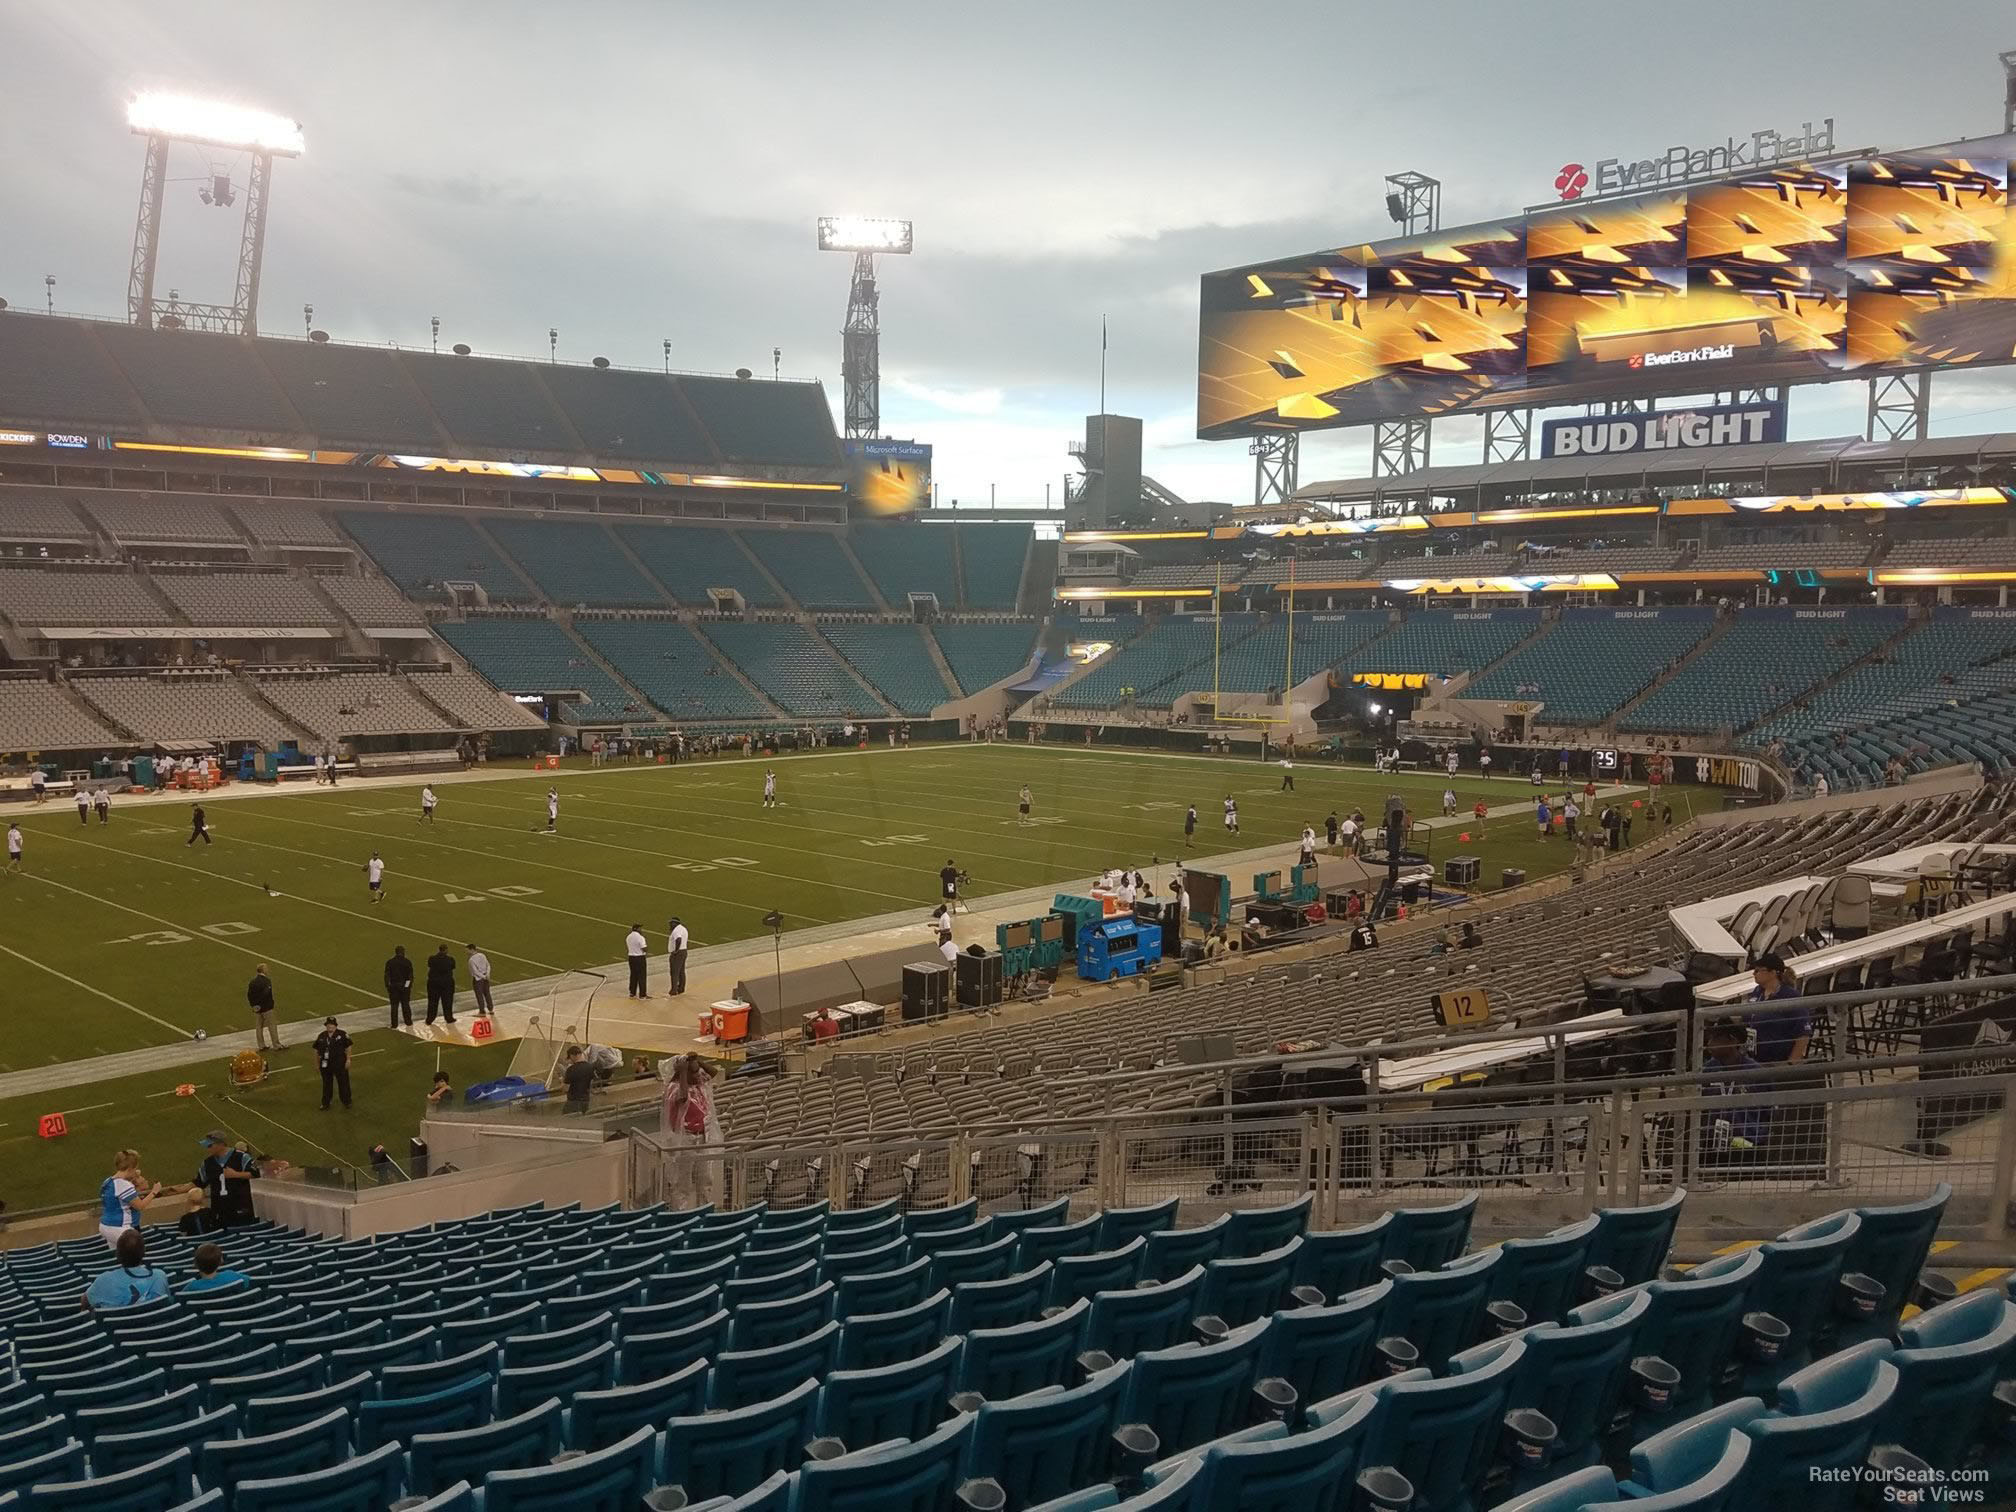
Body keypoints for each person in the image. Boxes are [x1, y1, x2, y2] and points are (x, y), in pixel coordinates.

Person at [662, 1053, 721, 1207]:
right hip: (685, 1139)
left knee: (706, 1178)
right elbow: (682, 1099)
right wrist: (683, 1071)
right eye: (693, 1072)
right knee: (683, 1182)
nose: (698, 1075)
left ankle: (705, 1209)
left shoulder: (699, 1083)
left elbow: (713, 1072)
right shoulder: (674, 1087)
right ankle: (682, 1215)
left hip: (703, 1136)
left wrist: (697, 1060)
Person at [1702, 1020, 1767, 1153]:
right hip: (1713, 1142)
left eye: (1716, 1039)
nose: (1709, 1044)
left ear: (1732, 1041)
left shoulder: (1755, 1071)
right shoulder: (1708, 1070)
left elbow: (1768, 1110)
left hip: (1748, 1144)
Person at [1746, 952, 1810, 1066]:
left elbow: (1803, 1032)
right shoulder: (1757, 992)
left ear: (1773, 972)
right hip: (1755, 1058)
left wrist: (1791, 1063)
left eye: (1758, 970)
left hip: (1778, 1060)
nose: (1754, 973)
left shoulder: (1790, 996)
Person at [84, 1230, 171, 1311]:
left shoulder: (104, 1280)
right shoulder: (160, 1276)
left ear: (117, 1255)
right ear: (144, 1252)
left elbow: (84, 1303)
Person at [98, 1150, 161, 1249]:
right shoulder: (123, 1185)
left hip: (105, 1225)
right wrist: (154, 1191)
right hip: (119, 1227)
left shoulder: (108, 1181)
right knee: (135, 1253)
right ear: (131, 1168)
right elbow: (140, 1206)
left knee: (119, 1257)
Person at [196, 1131, 258, 1227]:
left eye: (210, 1146)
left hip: (241, 1207)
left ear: (221, 1144)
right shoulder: (207, 1163)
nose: (208, 1149)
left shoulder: (241, 1157)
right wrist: (174, 1190)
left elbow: (256, 1174)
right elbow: (199, 1182)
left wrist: (236, 1174)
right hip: (219, 1210)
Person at [313, 1016, 353, 1110]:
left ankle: (346, 1101)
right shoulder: (322, 1036)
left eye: (332, 1025)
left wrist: (348, 1059)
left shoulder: (342, 1034)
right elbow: (316, 1050)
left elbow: (348, 1047)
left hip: (339, 1063)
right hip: (325, 1064)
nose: (330, 1026)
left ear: (335, 1026)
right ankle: (326, 1103)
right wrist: (316, 1063)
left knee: (343, 1082)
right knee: (326, 1084)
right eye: (328, 1025)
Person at [181, 1241, 251, 1295]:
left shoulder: (191, 1287)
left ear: (195, 1264)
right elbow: (249, 1281)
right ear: (221, 1261)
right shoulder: (231, 1275)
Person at [248, 964, 281, 1050]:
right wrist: (263, 1005)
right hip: (266, 1007)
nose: (267, 969)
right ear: (263, 970)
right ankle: (276, 1045)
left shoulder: (253, 981)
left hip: (257, 1008)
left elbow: (249, 995)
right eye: (266, 968)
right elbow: (266, 994)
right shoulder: (266, 981)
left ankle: (261, 1045)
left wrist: (254, 1005)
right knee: (272, 1026)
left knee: (259, 1026)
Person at [425, 943, 457, 1025]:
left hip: (433, 983)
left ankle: (430, 1019)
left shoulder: (432, 958)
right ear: (446, 950)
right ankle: (449, 1017)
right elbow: (453, 967)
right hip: (446, 983)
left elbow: (429, 965)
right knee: (447, 1002)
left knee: (432, 1002)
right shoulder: (450, 959)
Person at [384, 945, 414, 1029]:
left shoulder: (390, 962)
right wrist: (407, 987)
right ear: (403, 952)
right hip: (404, 986)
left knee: (394, 1006)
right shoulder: (407, 962)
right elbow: (410, 977)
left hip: (394, 987)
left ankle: (394, 1024)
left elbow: (387, 976)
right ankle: (408, 1022)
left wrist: (388, 986)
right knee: (405, 1005)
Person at [561, 1045, 594, 1113]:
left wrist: (562, 1082)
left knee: (565, 1120)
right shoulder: (590, 1067)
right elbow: (591, 1083)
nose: (570, 1060)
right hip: (586, 1100)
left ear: (572, 1055)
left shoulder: (571, 1069)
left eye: (570, 1057)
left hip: (573, 1101)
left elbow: (566, 1088)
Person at [466, 943, 494, 1016]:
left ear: (471, 949)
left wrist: (483, 976)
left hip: (478, 979)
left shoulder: (471, 960)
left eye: (467, 950)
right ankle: (490, 1009)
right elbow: (488, 965)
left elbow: (475, 971)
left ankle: (482, 1011)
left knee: (479, 995)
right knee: (487, 993)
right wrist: (487, 974)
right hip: (485, 977)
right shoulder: (482, 955)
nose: (467, 952)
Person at [625, 924, 649, 998]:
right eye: (640, 928)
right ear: (637, 929)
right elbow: (644, 948)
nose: (641, 930)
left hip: (631, 957)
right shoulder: (640, 937)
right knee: (642, 976)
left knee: (633, 975)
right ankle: (642, 994)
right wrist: (646, 951)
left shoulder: (628, 937)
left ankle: (632, 992)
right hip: (639, 957)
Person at [667, 917, 689, 996]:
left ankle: (674, 990)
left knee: (674, 972)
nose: (669, 925)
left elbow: (678, 939)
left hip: (678, 953)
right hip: (684, 951)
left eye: (671, 923)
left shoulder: (676, 930)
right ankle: (681, 988)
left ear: (675, 923)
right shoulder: (683, 928)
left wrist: (676, 950)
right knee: (681, 971)